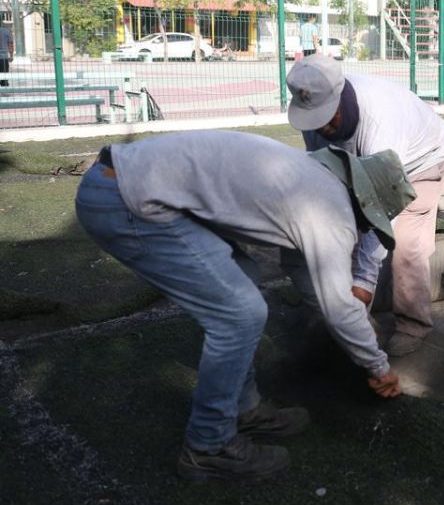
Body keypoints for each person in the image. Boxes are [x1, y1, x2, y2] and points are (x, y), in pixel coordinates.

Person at [74, 131, 409, 481]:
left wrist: (349, 318)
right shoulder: (331, 212)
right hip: (126, 201)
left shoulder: (314, 181)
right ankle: (207, 447)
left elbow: (305, 273)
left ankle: (244, 409)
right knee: (239, 315)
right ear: (366, 206)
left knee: (245, 281)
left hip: (126, 184)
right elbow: (338, 307)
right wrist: (377, 365)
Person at [286, 55, 444, 358]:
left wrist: (363, 281)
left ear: (339, 98)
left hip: (423, 162)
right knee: (345, 235)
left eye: (329, 118)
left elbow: (381, 209)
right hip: (363, 166)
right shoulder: (312, 114)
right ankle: (358, 321)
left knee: (406, 246)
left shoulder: (380, 124)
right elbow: (324, 174)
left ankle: (412, 324)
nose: (322, 128)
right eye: (316, 120)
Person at [0, 21, 13, 87]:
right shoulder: (7, 31)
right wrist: (11, 55)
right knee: (4, 79)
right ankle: (4, 95)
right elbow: (10, 44)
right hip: (3, 57)